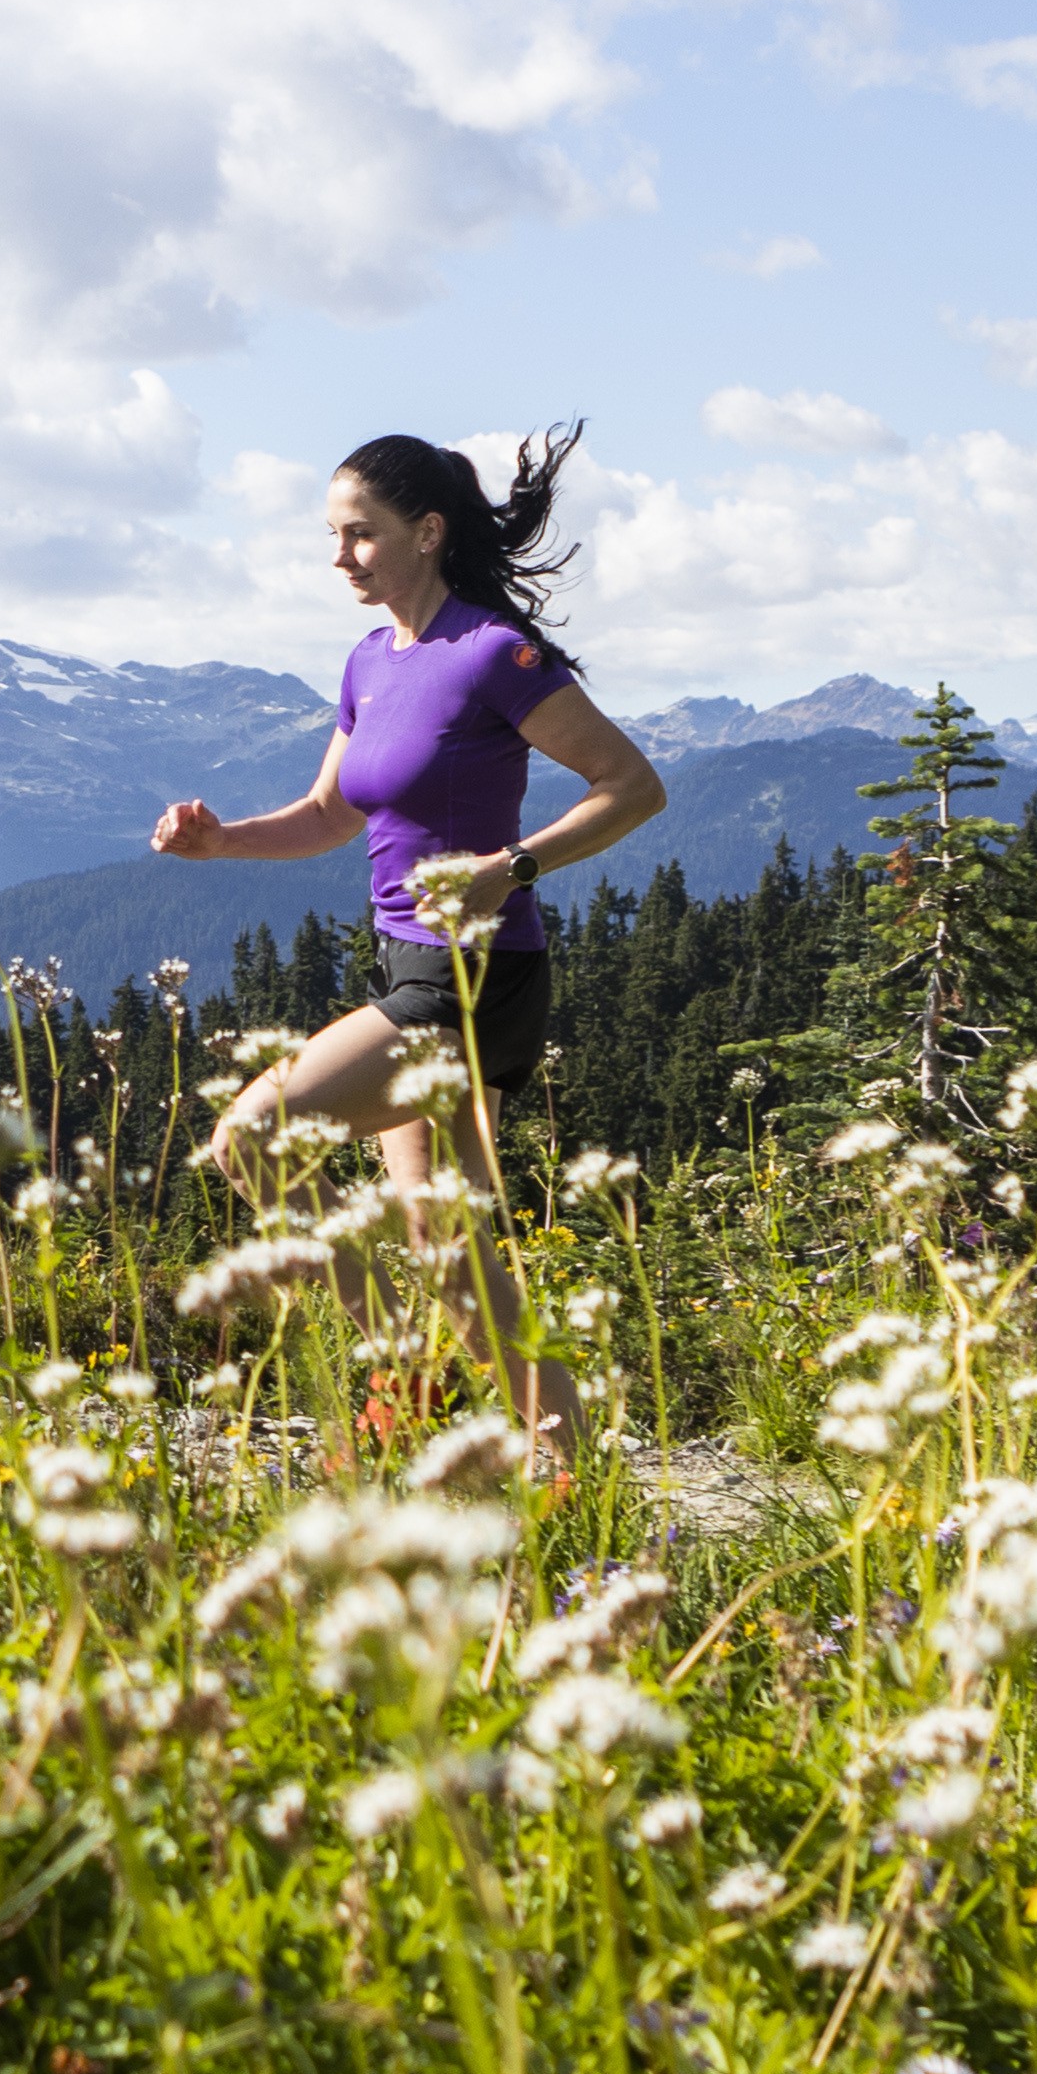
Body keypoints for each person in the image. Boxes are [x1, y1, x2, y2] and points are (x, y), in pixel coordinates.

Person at [150, 429, 666, 1447]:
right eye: (333, 535)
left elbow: (633, 786)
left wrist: (507, 867)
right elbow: (328, 814)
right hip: (414, 969)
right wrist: (220, 843)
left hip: (474, 981)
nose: (341, 556)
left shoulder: (494, 655)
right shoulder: (371, 661)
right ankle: (566, 1474)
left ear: (426, 533)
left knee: (250, 1140)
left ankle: (398, 1364)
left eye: (361, 535)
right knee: (458, 1260)